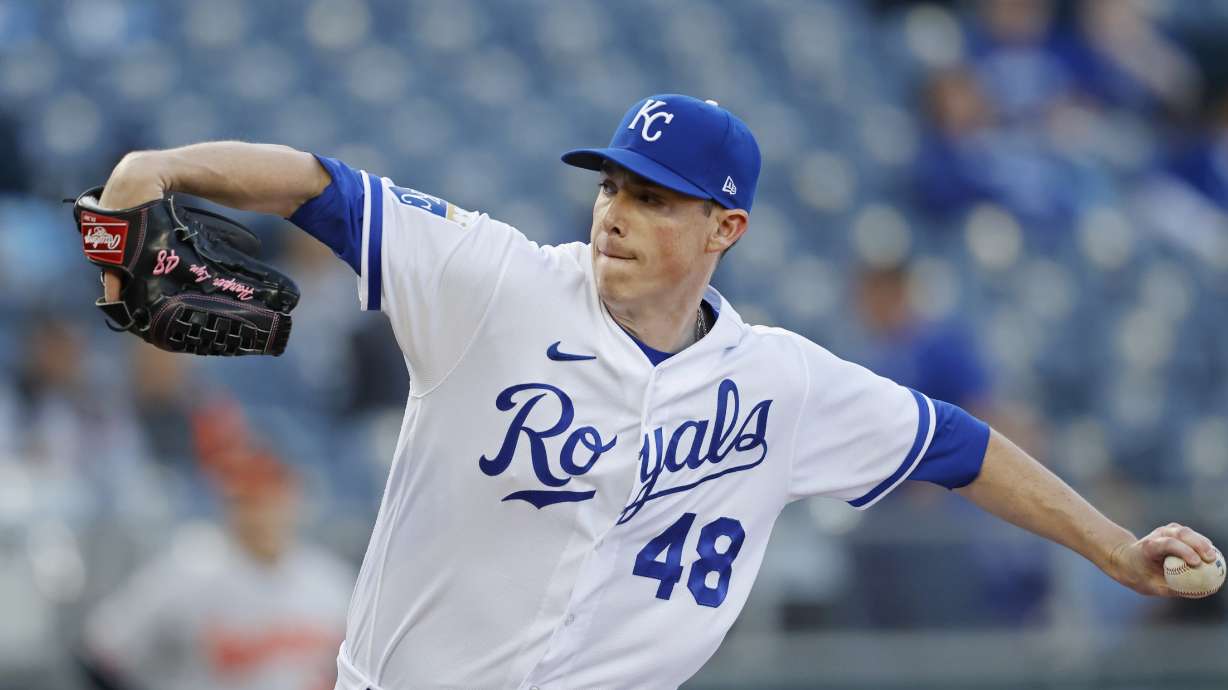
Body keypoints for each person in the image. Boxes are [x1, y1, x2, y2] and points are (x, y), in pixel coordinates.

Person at [90, 94, 1218, 690]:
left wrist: (1115, 549)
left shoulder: (781, 383)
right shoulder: (493, 284)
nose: (617, 209)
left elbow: (956, 446)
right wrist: (163, 172)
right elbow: (319, 187)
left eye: (657, 197)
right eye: (614, 184)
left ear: (725, 228)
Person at [80, 434, 353, 690]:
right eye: (248, 498)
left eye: (270, 493)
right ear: (227, 501)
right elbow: (101, 650)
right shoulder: (187, 568)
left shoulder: (332, 580)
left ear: (294, 497)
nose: (262, 510)